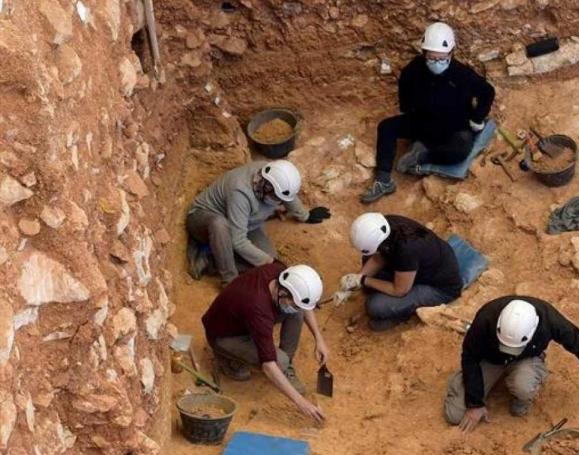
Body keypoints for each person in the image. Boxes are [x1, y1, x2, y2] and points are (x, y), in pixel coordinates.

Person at [444, 296, 579, 432]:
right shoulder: (486, 318)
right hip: (490, 359)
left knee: (523, 387)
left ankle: (524, 386)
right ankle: (469, 384)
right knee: (455, 414)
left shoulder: (549, 319)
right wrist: (475, 403)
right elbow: (469, 357)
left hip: (526, 358)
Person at [361, 22, 495, 203]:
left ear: (451, 53)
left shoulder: (461, 74)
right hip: (422, 123)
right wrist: (411, 111)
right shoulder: (414, 69)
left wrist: (477, 118)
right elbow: (404, 92)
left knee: (460, 151)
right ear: (424, 54)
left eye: (442, 59)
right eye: (432, 58)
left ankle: (423, 155)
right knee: (386, 127)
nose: (437, 63)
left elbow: (487, 92)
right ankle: (383, 179)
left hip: (454, 127)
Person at [202, 262, 328, 423]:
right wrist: (302, 403)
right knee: (278, 362)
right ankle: (226, 358)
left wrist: (319, 338)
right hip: (224, 336)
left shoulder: (282, 275)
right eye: (294, 302)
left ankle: (286, 367)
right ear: (283, 293)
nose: (296, 306)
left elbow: (302, 304)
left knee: (296, 313)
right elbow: (268, 366)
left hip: (244, 321)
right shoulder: (258, 308)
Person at [186, 159, 332, 285]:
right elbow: (238, 240)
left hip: (244, 223)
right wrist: (270, 262)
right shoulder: (240, 192)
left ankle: (210, 261)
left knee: (267, 261)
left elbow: (288, 196)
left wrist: (305, 215)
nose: (278, 202)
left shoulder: (274, 174)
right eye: (276, 198)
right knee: (219, 225)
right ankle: (228, 279)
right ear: (266, 187)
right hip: (203, 219)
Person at [338, 212, 463, 331]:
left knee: (374, 306)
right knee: (368, 260)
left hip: (440, 288)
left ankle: (403, 315)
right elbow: (378, 257)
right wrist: (357, 279)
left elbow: (399, 290)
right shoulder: (385, 225)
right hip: (418, 268)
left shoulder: (407, 251)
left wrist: (363, 280)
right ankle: (400, 301)